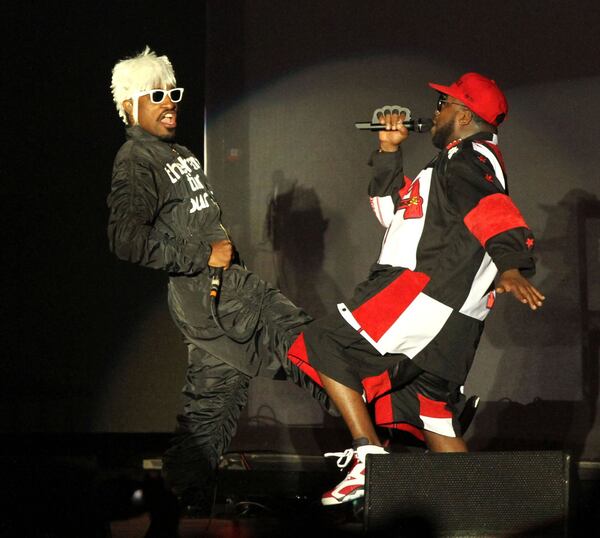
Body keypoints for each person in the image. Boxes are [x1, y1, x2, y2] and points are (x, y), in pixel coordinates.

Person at [286, 72, 545, 506]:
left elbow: (493, 210)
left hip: (423, 294)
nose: (435, 110)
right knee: (435, 415)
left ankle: (368, 454)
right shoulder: (452, 164)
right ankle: (477, 518)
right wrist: (389, 151)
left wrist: (512, 263)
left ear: (463, 115)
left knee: (321, 341)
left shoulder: (467, 159)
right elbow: (396, 216)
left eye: (444, 104)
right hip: (455, 315)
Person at [106, 47, 335, 516]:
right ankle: (409, 416)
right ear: (130, 106)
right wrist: (202, 254)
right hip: (219, 300)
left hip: (220, 296)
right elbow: (126, 240)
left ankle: (173, 512)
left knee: (208, 417)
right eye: (156, 95)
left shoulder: (178, 153)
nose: (170, 102)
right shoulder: (135, 159)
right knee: (314, 346)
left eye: (173, 92)